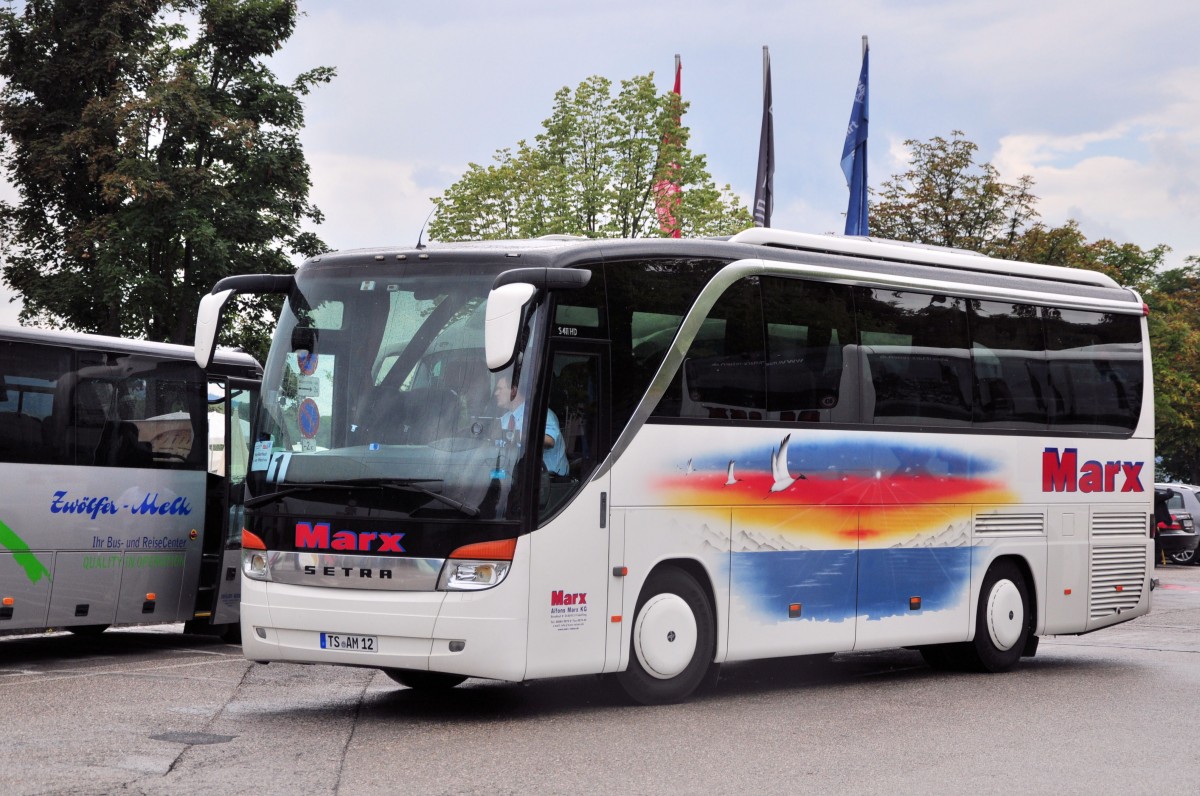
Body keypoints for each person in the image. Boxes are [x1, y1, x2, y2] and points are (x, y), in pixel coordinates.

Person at [493, 376, 568, 476]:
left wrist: (518, 436)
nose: (496, 393)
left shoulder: (542, 414)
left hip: (549, 481)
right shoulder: (505, 419)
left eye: (500, 389)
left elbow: (550, 441)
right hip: (515, 476)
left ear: (513, 391)